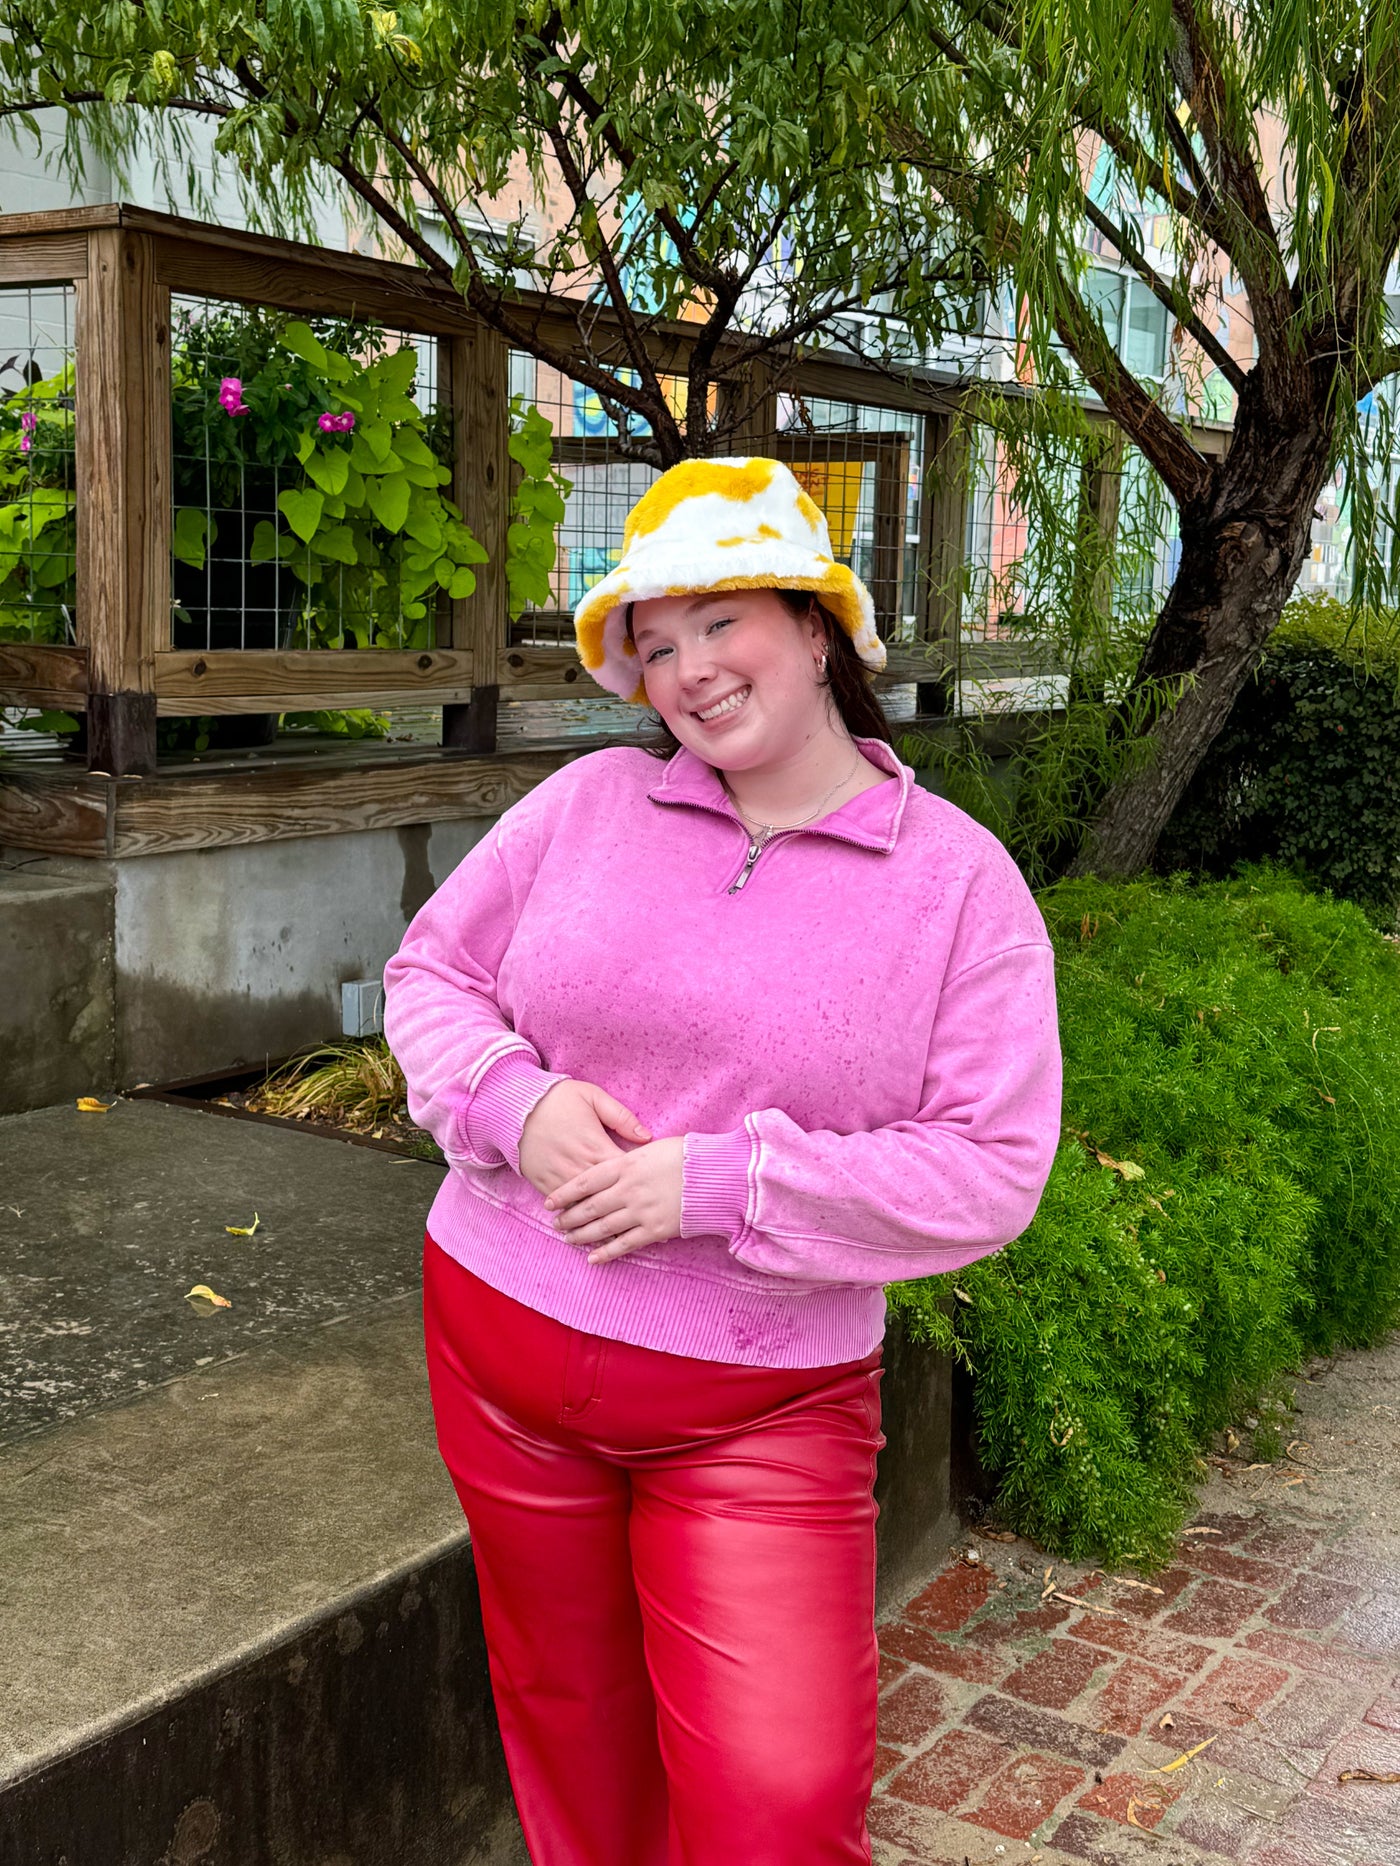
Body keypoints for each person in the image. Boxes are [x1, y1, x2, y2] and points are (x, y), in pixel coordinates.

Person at [383, 456, 1062, 1866]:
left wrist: (726, 1182)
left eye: (719, 621)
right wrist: (514, 1100)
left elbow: (990, 1167)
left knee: (779, 1799)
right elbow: (430, 974)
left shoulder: (957, 886)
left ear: (817, 626)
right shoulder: (585, 808)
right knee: (571, 1730)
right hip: (499, 1364)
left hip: (762, 1409)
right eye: (655, 643)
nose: (687, 669)